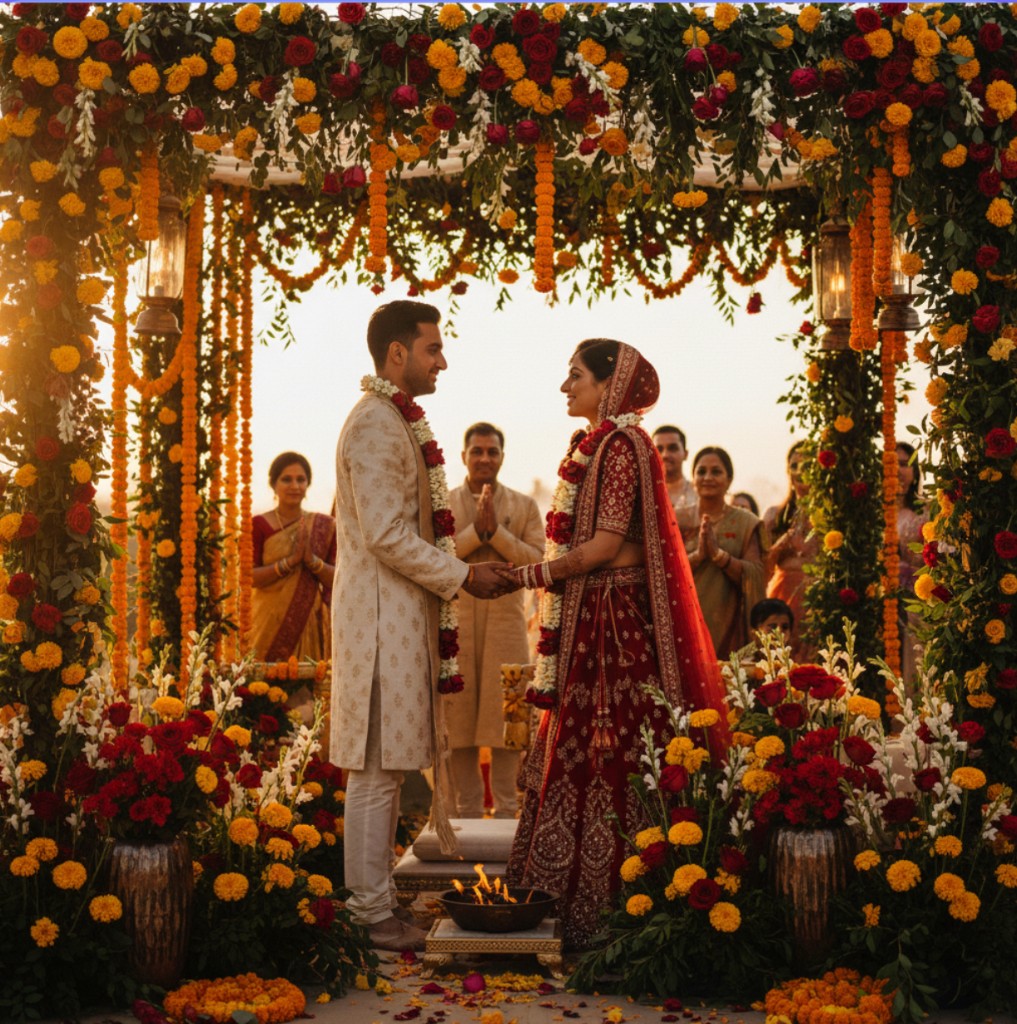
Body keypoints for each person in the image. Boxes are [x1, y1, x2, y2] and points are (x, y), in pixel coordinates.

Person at [502, 339, 729, 950]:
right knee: (579, 748)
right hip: (589, 617)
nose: (565, 386)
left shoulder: (623, 445)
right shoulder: (594, 444)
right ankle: (567, 895)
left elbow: (604, 547)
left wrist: (527, 575)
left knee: (618, 751)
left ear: (610, 383)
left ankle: (618, 905)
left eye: (575, 375)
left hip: (614, 626)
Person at [329, 300, 512, 952]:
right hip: (380, 624)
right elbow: (383, 534)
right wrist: (462, 575)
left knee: (385, 769)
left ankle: (376, 904)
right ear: (397, 353)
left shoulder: (393, 419)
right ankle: (369, 914)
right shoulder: (376, 425)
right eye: (433, 348)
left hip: (398, 619)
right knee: (376, 771)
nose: (443, 361)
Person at [446, 422, 544, 818]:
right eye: (477, 451)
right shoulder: (443, 504)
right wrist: (475, 533)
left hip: (507, 629)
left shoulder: (524, 506)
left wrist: (497, 533)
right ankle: (465, 814)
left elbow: (538, 560)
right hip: (455, 630)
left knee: (509, 719)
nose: (484, 458)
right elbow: (431, 557)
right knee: (458, 723)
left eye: (492, 451)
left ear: (502, 457)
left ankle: (507, 814)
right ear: (463, 456)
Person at [250, 452, 336, 722]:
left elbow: (338, 579)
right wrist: (288, 563)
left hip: (308, 622)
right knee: (261, 698)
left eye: (301, 479)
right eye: (286, 479)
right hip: (266, 623)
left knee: (305, 700)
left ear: (308, 484)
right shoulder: (258, 525)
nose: (295, 485)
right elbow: (249, 576)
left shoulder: (325, 526)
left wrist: (312, 562)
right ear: (273, 484)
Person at [677, 447, 766, 661]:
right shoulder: (676, 519)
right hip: (682, 620)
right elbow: (661, 571)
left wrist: (719, 556)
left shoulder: (746, 523)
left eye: (716, 471)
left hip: (729, 623)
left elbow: (756, 574)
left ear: (729, 479)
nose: (708, 477)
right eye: (701, 471)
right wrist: (698, 556)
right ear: (693, 477)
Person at [762, 441, 818, 662]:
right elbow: (763, 568)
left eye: (807, 466)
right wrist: (784, 541)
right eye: (794, 465)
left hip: (816, 598)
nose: (800, 472)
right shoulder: (775, 515)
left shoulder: (831, 516)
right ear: (788, 471)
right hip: (782, 594)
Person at [896, 441, 929, 683]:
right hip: (880, 605)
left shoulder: (925, 511)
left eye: (904, 464)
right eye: (891, 464)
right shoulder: (871, 513)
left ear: (915, 471)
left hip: (916, 603)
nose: (898, 470)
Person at [652, 424, 696, 514]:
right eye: (659, 450)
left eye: (672, 448)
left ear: (685, 454)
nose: (665, 455)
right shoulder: (644, 495)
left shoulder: (698, 493)